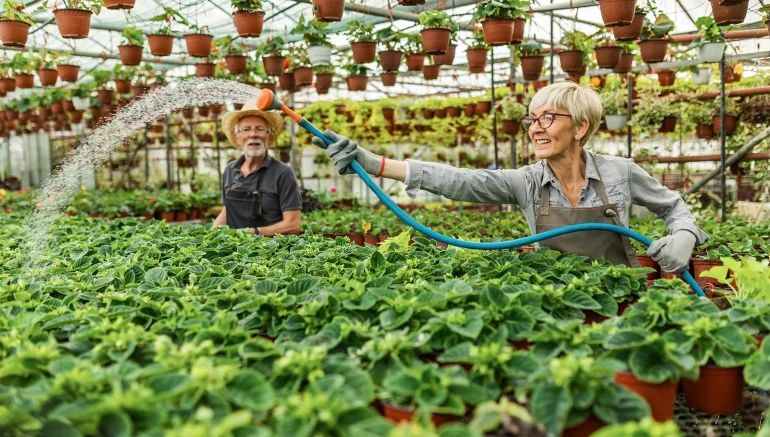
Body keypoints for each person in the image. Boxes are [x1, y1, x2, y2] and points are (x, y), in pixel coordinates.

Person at [313, 82, 708, 272]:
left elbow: (675, 208)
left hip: (620, 294)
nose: (536, 128)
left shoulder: (621, 172)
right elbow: (460, 181)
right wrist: (374, 161)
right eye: (532, 119)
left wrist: (684, 238)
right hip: (555, 299)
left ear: (581, 127)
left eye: (548, 118)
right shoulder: (527, 181)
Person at [213, 102, 301, 236]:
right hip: (234, 252)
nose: (253, 134)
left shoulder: (283, 173)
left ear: (269, 137)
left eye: (259, 129)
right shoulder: (230, 170)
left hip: (272, 252)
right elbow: (227, 211)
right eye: (246, 129)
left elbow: (293, 225)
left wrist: (252, 233)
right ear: (237, 138)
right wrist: (212, 233)